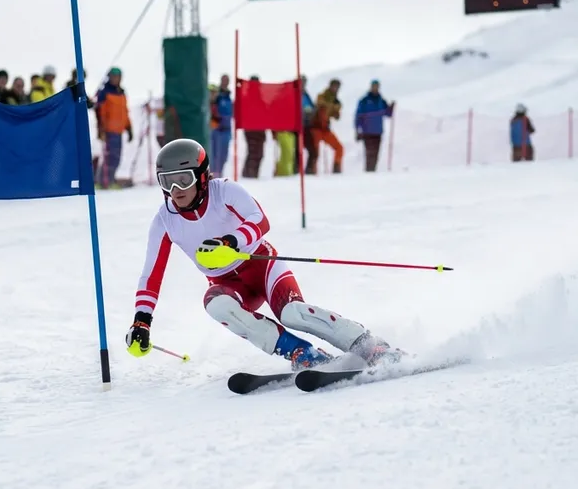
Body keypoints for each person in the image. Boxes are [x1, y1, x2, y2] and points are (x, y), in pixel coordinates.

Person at [123, 138, 401, 370]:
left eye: (183, 180)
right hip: (228, 285)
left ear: (202, 176)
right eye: (167, 181)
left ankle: (366, 343)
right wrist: (142, 321)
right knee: (215, 304)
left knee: (291, 312)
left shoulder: (224, 192)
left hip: (261, 265)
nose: (175, 191)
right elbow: (151, 275)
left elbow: (260, 219)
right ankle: (301, 354)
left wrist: (231, 241)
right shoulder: (165, 220)